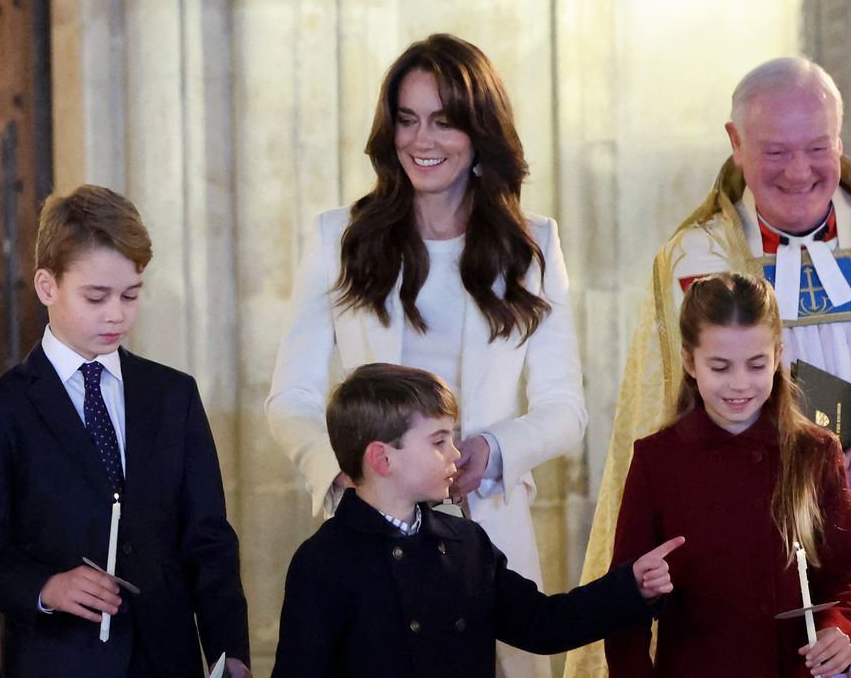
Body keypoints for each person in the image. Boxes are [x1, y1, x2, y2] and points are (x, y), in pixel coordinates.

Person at [266, 34, 583, 677]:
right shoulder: (341, 238)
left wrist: (490, 452)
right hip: (373, 535)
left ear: (479, 132)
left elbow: (565, 409)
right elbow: (291, 396)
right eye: (407, 120)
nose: (421, 141)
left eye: (443, 121)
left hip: (489, 528)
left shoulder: (534, 246)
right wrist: (348, 471)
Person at [567, 57, 851, 677]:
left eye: (817, 147)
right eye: (775, 151)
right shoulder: (696, 260)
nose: (800, 171)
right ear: (735, 143)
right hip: (763, 542)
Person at [0, 185, 251, 678]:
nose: (117, 313)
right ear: (47, 287)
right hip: (56, 661)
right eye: (97, 296)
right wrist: (47, 587)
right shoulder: (0, 408)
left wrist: (229, 652)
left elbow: (210, 540)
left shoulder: (173, 395)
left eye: (131, 295)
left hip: (166, 661)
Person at [272, 362, 681, 678]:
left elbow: (542, 624)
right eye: (438, 441)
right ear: (382, 458)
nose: (455, 453)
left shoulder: (466, 543)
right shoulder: (323, 562)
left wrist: (630, 587)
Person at [605, 272, 851, 676]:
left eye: (756, 365)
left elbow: (844, 577)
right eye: (719, 367)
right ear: (689, 361)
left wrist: (840, 628)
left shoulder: (816, 452)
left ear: (777, 357)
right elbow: (624, 603)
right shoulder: (657, 459)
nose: (740, 384)